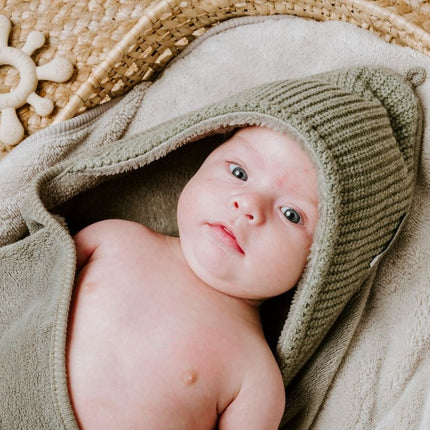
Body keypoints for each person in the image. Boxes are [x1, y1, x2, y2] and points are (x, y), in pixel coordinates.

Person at [66, 125, 319, 430]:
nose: (249, 205)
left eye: (291, 214)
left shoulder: (255, 377)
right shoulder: (112, 239)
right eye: (239, 173)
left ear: (319, 260)